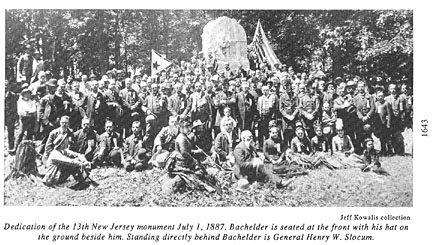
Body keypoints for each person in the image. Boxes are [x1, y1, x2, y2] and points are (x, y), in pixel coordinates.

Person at [43, 116, 91, 189]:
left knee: (74, 162)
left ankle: (83, 180)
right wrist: (82, 163)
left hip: (58, 168)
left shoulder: (62, 149)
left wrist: (82, 158)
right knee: (72, 164)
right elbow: (69, 161)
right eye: (63, 123)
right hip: (51, 178)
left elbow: (72, 153)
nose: (65, 125)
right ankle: (81, 181)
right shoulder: (55, 153)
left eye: (66, 123)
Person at [14, 87, 37, 152]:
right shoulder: (20, 102)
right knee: (20, 133)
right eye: (25, 94)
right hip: (23, 120)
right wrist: (26, 113)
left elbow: (34, 109)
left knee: (30, 134)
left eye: (28, 94)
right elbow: (20, 112)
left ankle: (29, 149)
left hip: (30, 120)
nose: (27, 95)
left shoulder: (32, 102)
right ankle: (16, 147)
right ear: (23, 95)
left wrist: (29, 112)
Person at [5, 80, 18, 153]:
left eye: (7, 85)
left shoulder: (12, 95)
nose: (5, 87)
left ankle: (11, 147)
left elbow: (14, 107)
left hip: (10, 117)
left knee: (11, 133)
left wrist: (15, 117)